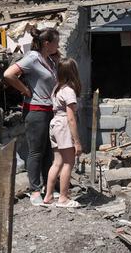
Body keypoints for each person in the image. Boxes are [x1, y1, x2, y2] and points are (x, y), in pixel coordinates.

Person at [3, 27, 60, 206]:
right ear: (46, 43)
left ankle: (47, 188)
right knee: (36, 151)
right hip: (35, 111)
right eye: (56, 42)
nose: (58, 45)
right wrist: (25, 90)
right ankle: (35, 190)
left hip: (49, 110)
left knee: (48, 151)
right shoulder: (32, 58)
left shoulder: (48, 59)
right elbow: (8, 74)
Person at [43, 58, 83, 208]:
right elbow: (71, 118)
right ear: (73, 72)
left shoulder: (56, 89)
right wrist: (77, 142)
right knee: (68, 162)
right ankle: (63, 198)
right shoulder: (69, 91)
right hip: (63, 125)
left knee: (57, 162)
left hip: (54, 124)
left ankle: (48, 196)